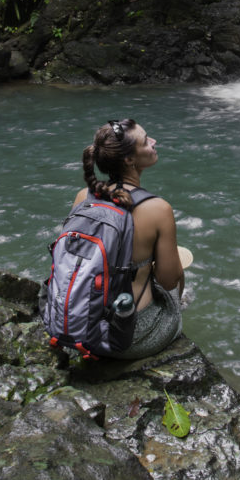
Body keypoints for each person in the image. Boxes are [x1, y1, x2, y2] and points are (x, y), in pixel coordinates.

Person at [74, 117, 185, 359]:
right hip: (128, 336)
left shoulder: (84, 196)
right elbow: (168, 281)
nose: (154, 142)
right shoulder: (157, 209)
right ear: (129, 160)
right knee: (179, 277)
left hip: (79, 323)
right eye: (146, 141)